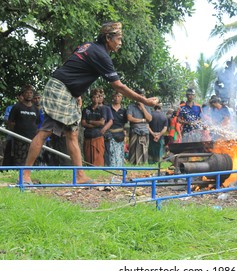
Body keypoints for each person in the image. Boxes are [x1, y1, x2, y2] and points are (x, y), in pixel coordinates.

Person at [22, 22, 159, 184]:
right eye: (119, 38)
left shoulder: (88, 46)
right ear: (108, 38)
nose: (120, 43)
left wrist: (76, 94)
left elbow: (73, 66)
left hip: (66, 90)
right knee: (46, 131)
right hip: (60, 89)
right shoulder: (101, 55)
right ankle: (25, 175)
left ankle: (80, 176)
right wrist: (144, 100)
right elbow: (118, 86)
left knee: (72, 133)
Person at [7, 85, 40, 166]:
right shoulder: (17, 107)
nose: (29, 94)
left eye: (31, 93)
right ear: (23, 94)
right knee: (19, 159)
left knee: (33, 158)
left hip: (32, 139)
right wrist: (15, 134)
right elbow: (10, 122)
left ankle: (31, 175)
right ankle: (19, 176)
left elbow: (38, 122)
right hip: (19, 138)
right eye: (27, 93)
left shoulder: (35, 109)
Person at [81, 89, 107, 166]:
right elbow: (83, 123)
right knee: (88, 157)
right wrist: (96, 124)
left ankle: (98, 172)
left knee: (99, 158)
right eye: (93, 97)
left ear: (99, 98)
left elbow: (102, 122)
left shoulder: (103, 109)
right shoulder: (86, 110)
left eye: (97, 97)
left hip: (98, 136)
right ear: (91, 98)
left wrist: (90, 122)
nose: (95, 99)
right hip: (88, 136)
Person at [127, 90, 152, 165]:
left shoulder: (147, 107)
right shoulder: (131, 106)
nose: (141, 98)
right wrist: (143, 120)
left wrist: (143, 107)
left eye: (142, 96)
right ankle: (132, 164)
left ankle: (143, 164)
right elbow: (130, 118)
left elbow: (150, 119)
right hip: (134, 131)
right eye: (139, 96)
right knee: (133, 150)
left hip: (145, 132)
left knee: (144, 150)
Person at [2, 92, 23, 167]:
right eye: (21, 95)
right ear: (18, 97)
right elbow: (7, 121)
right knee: (9, 154)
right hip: (12, 136)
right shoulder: (10, 108)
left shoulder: (32, 108)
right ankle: (6, 170)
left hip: (25, 137)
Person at [108, 91, 127, 166]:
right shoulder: (108, 108)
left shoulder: (124, 110)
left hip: (120, 134)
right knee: (111, 153)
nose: (117, 98)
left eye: (119, 96)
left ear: (121, 98)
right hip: (109, 133)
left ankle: (119, 168)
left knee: (120, 153)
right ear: (113, 97)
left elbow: (125, 123)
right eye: (115, 96)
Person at [97, 89, 113, 166]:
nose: (100, 98)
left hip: (105, 133)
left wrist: (104, 129)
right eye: (98, 96)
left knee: (106, 151)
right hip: (94, 133)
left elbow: (111, 121)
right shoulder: (90, 108)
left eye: (101, 96)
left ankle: (107, 166)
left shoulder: (107, 108)